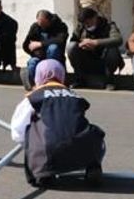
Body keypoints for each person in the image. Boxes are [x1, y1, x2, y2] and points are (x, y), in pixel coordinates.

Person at [9, 59, 105, 188]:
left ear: (38, 76)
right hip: (82, 145)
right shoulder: (74, 95)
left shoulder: (34, 97)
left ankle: (44, 173)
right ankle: (93, 166)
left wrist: (27, 143)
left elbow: (18, 128)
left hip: (50, 148)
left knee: (34, 132)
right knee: (95, 133)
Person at [67, 7, 124, 90]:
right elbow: (73, 42)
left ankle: (109, 81)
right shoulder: (80, 27)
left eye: (88, 22)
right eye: (84, 23)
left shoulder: (108, 25)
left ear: (95, 17)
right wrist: (83, 45)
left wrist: (95, 43)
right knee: (71, 46)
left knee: (112, 49)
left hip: (105, 61)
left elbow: (118, 40)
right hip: (87, 60)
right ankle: (79, 79)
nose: (87, 25)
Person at [20, 10, 68, 89]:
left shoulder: (60, 26)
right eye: (40, 24)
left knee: (53, 48)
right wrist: (34, 52)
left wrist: (40, 44)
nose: (42, 26)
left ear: (49, 20)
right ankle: (32, 84)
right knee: (32, 62)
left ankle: (53, 80)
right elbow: (26, 45)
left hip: (54, 57)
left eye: (44, 24)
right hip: (40, 55)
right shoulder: (35, 27)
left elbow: (60, 40)